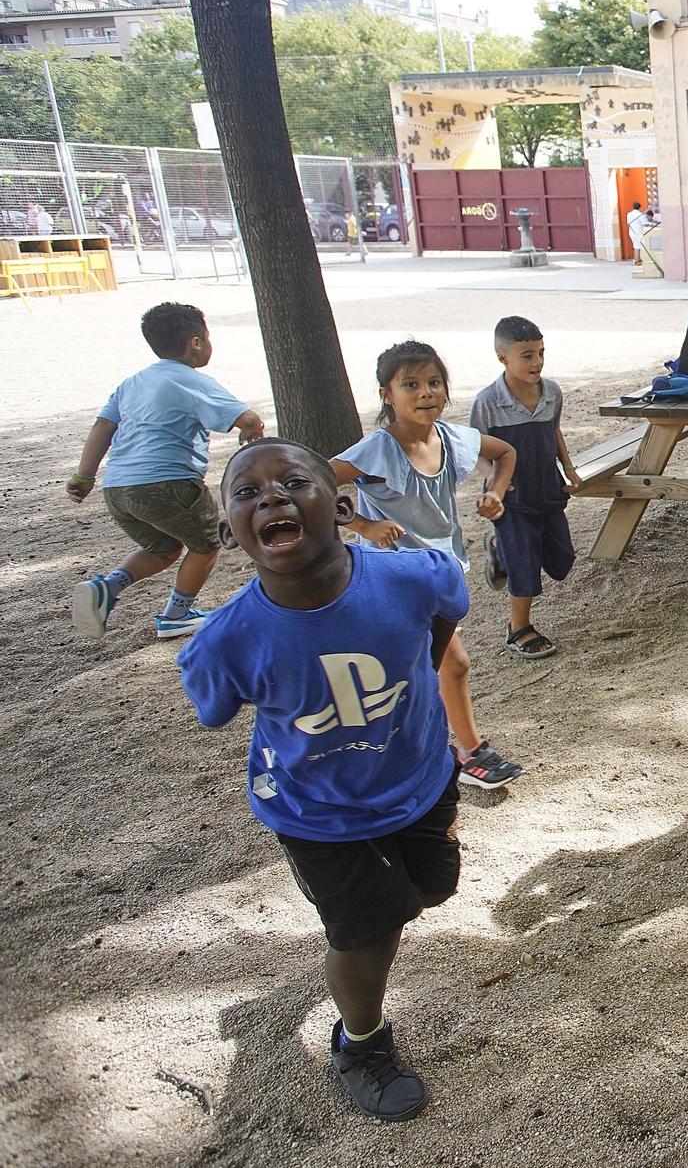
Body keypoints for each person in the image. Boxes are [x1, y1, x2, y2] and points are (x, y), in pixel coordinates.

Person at [179, 438, 469, 1121]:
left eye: (291, 482)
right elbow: (215, 708)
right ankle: (361, 1042)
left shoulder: (412, 576)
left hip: (422, 774)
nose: (271, 496)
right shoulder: (227, 638)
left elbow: (445, 607)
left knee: (429, 887)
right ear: (229, 532)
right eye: (247, 493)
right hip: (318, 810)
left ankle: (376, 916)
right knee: (366, 929)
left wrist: (418, 676)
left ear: (339, 507)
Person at [332, 341, 526, 791]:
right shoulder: (378, 450)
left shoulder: (451, 438)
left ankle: (435, 752)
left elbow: (505, 453)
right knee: (443, 666)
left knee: (434, 668)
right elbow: (312, 484)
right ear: (387, 395)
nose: (426, 393)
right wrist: (364, 525)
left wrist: (496, 493)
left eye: (434, 383)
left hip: (442, 573)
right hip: (393, 580)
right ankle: (463, 752)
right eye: (412, 385)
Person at [68, 302, 265, 641]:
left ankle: (107, 587)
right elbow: (247, 419)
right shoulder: (191, 380)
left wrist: (84, 476)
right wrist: (252, 434)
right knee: (206, 543)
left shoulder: (130, 384)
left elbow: (103, 425)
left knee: (165, 548)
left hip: (117, 488)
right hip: (168, 482)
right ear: (196, 342)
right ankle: (177, 615)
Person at [470, 317, 583, 661]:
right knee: (524, 564)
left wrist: (569, 469)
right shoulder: (488, 401)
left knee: (561, 560)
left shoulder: (551, 392)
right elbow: (476, 449)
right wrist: (495, 483)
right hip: (512, 499)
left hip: (548, 489)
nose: (537, 362)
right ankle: (519, 629)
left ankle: (497, 549)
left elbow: (554, 432)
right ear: (503, 358)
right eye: (527, 355)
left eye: (541, 353)